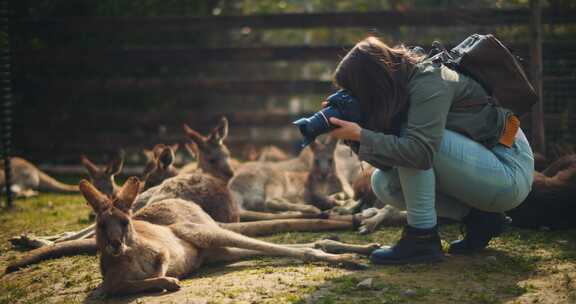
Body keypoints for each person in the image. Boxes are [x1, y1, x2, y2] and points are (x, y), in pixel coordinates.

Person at [326, 36, 534, 264]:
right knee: (385, 184)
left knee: (411, 145)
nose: (355, 98)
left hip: (509, 167)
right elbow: (391, 163)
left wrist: (361, 134)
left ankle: (421, 239)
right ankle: (481, 219)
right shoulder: (401, 90)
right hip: (485, 169)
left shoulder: (429, 80)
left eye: (355, 91)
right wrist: (355, 135)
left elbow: (418, 153)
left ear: (372, 82)